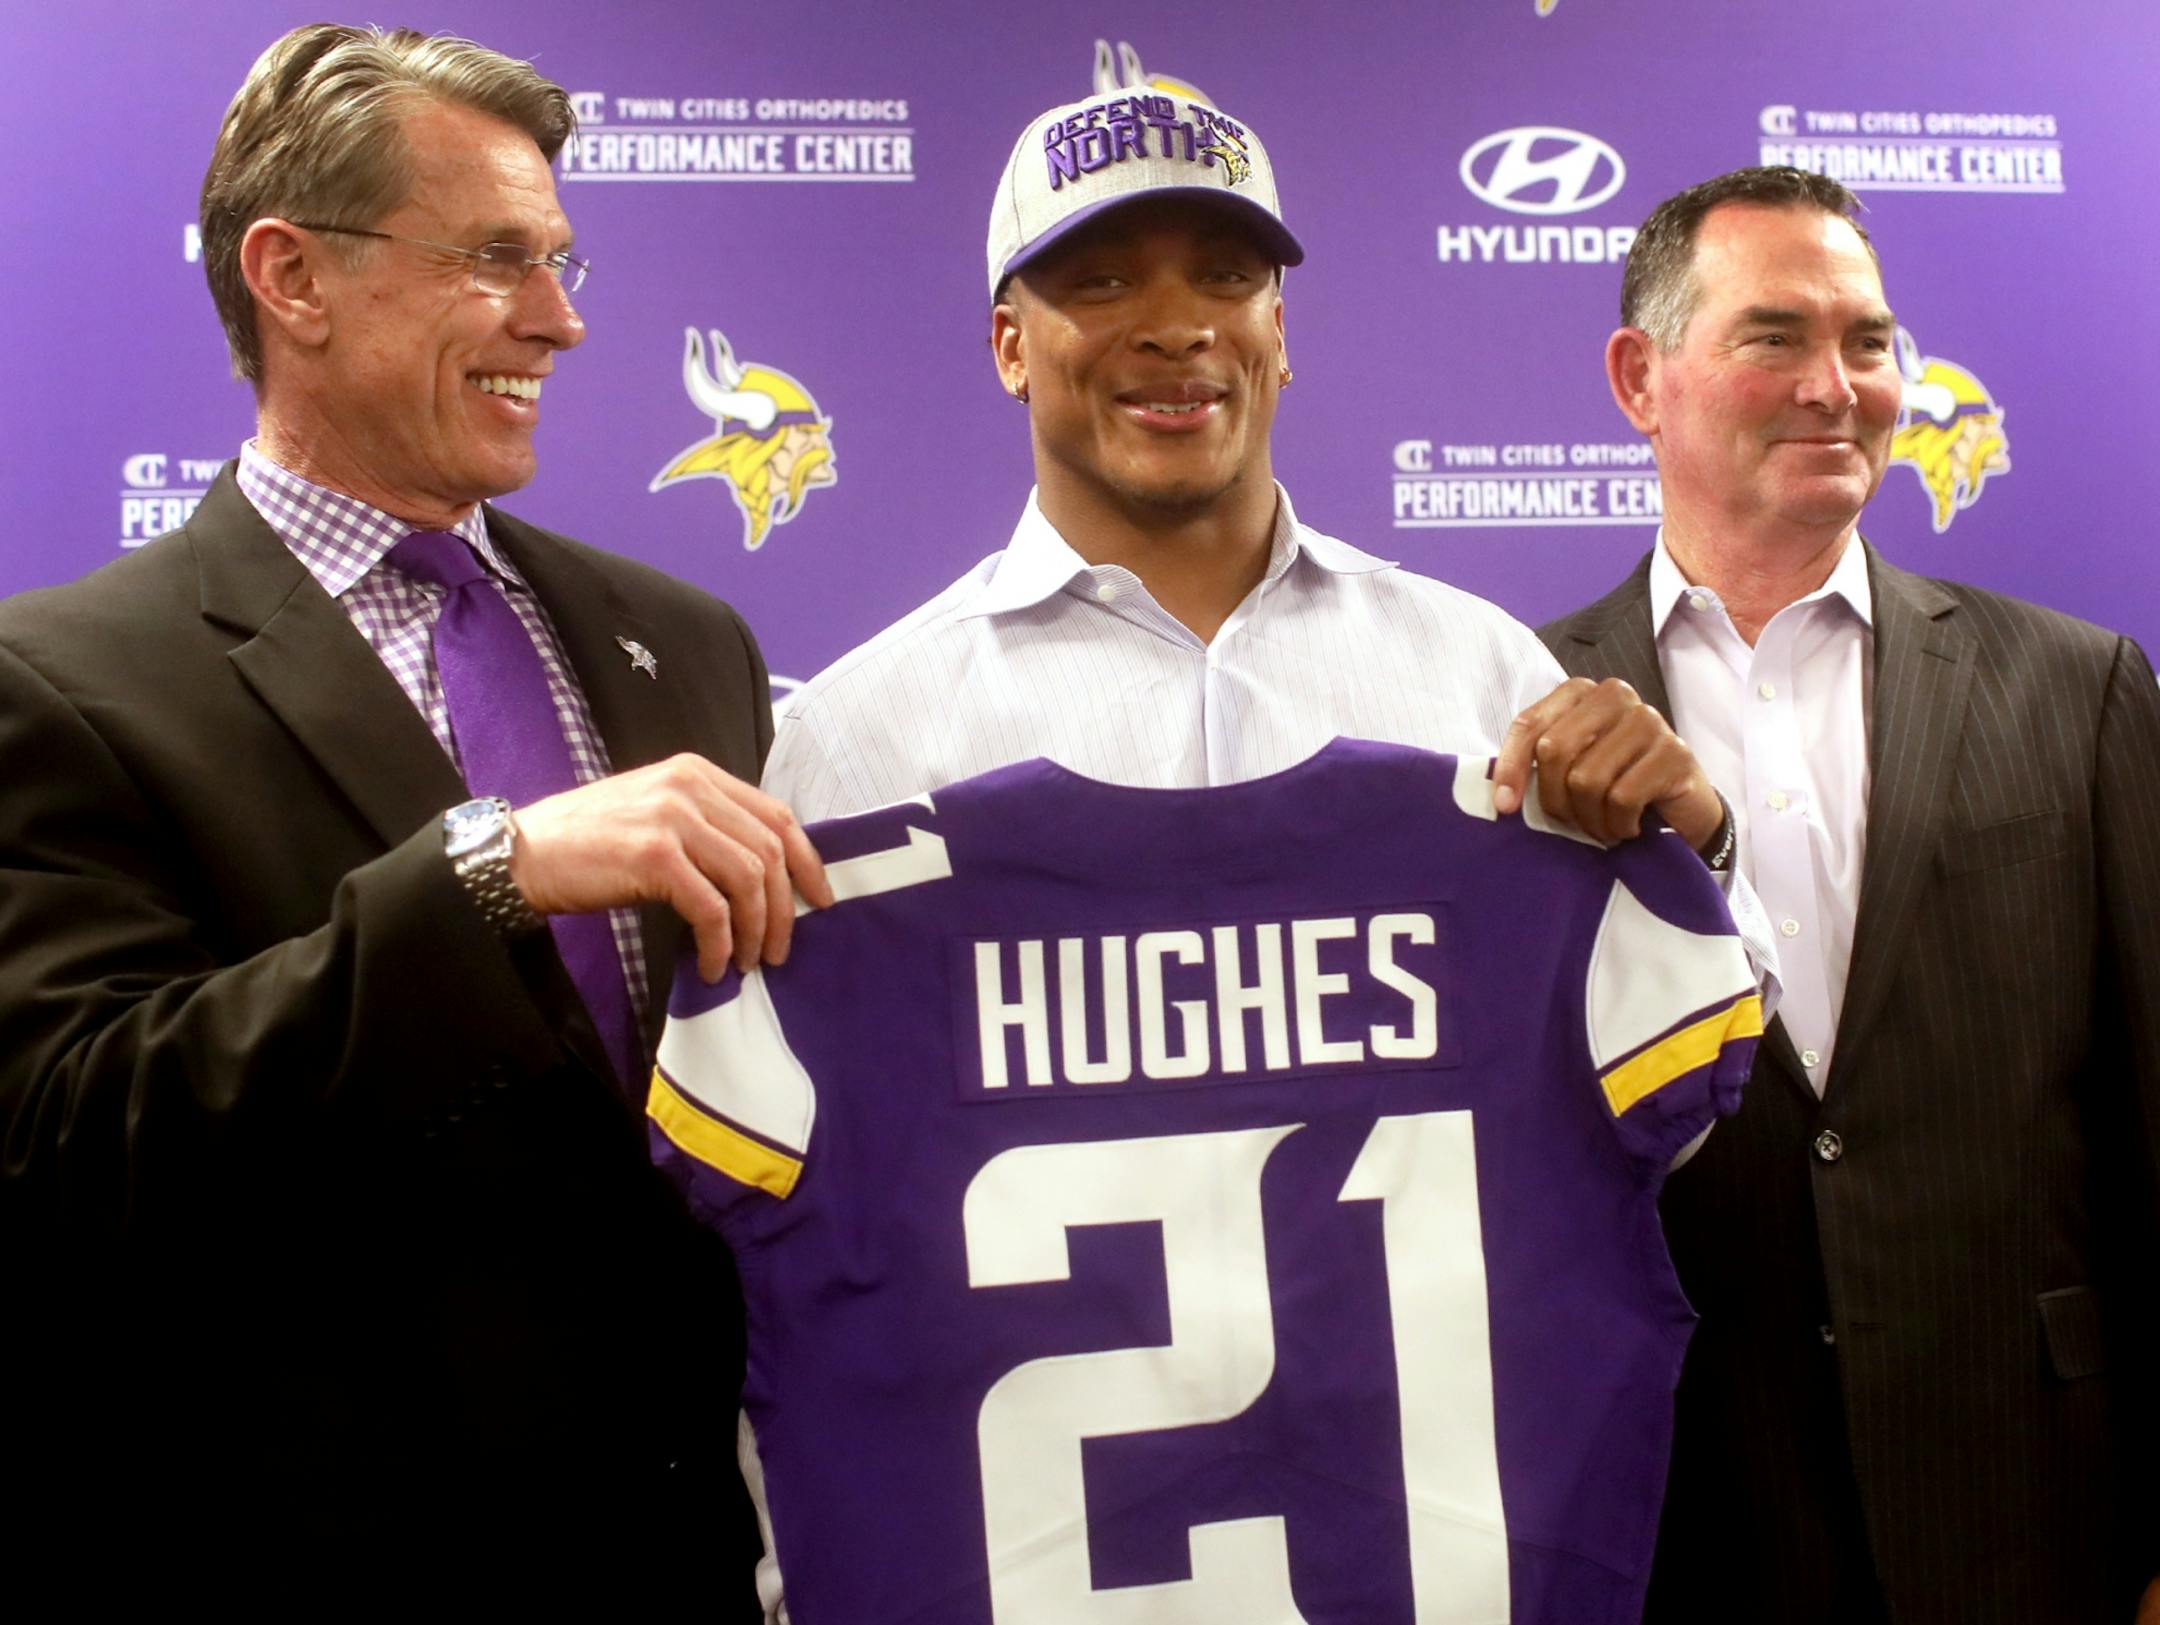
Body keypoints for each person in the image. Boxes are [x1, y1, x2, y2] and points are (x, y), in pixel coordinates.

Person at [0, 24, 824, 1598]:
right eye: (498, 261)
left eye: (564, 260)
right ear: (293, 278)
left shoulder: (689, 639)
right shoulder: (60, 681)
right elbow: (68, 1139)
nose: (563, 321)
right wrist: (490, 874)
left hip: (696, 1559)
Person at [1539, 165, 2160, 1624]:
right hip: (1682, 1529)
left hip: (2034, 1519)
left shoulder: (2079, 693)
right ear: (1643, 377)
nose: (1838, 385)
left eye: (1870, 341)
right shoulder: (1522, 711)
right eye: (1773, 337)